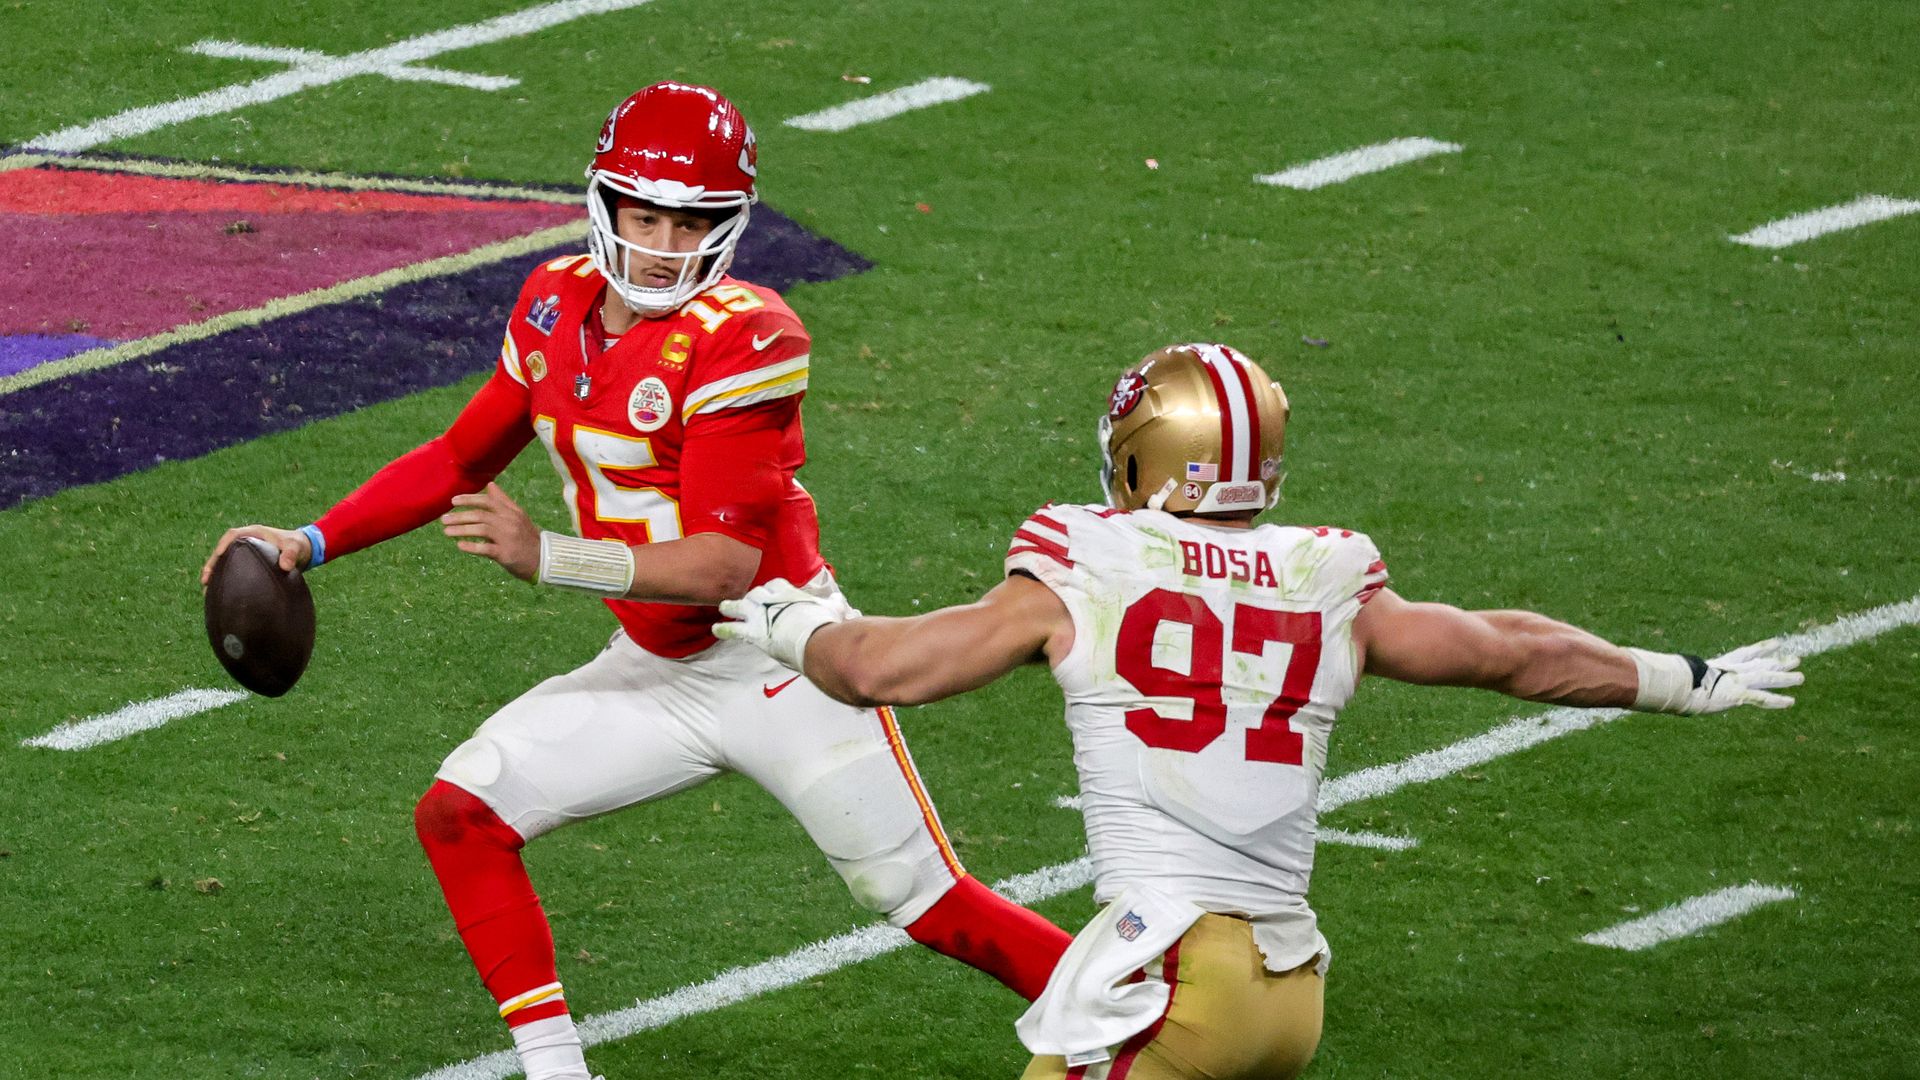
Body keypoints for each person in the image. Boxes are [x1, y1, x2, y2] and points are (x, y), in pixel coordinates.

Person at [202, 82, 1068, 1080]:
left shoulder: (749, 334)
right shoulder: (553, 301)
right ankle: (559, 1072)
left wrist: (549, 557)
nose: (661, 244)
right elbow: (456, 459)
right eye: (644, 215)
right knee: (461, 814)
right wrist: (309, 541)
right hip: (652, 665)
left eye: (689, 221)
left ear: (728, 225)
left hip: (778, 658)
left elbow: (721, 567)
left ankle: (1150, 1016)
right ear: (604, 206)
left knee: (927, 904)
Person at [716, 342, 1804, 1080]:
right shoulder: (1327, 577)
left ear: (1142, 453)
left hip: (1177, 974)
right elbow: (1512, 654)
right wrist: (1678, 676)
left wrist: (784, 623)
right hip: (1290, 993)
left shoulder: (1087, 556)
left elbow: (889, 670)